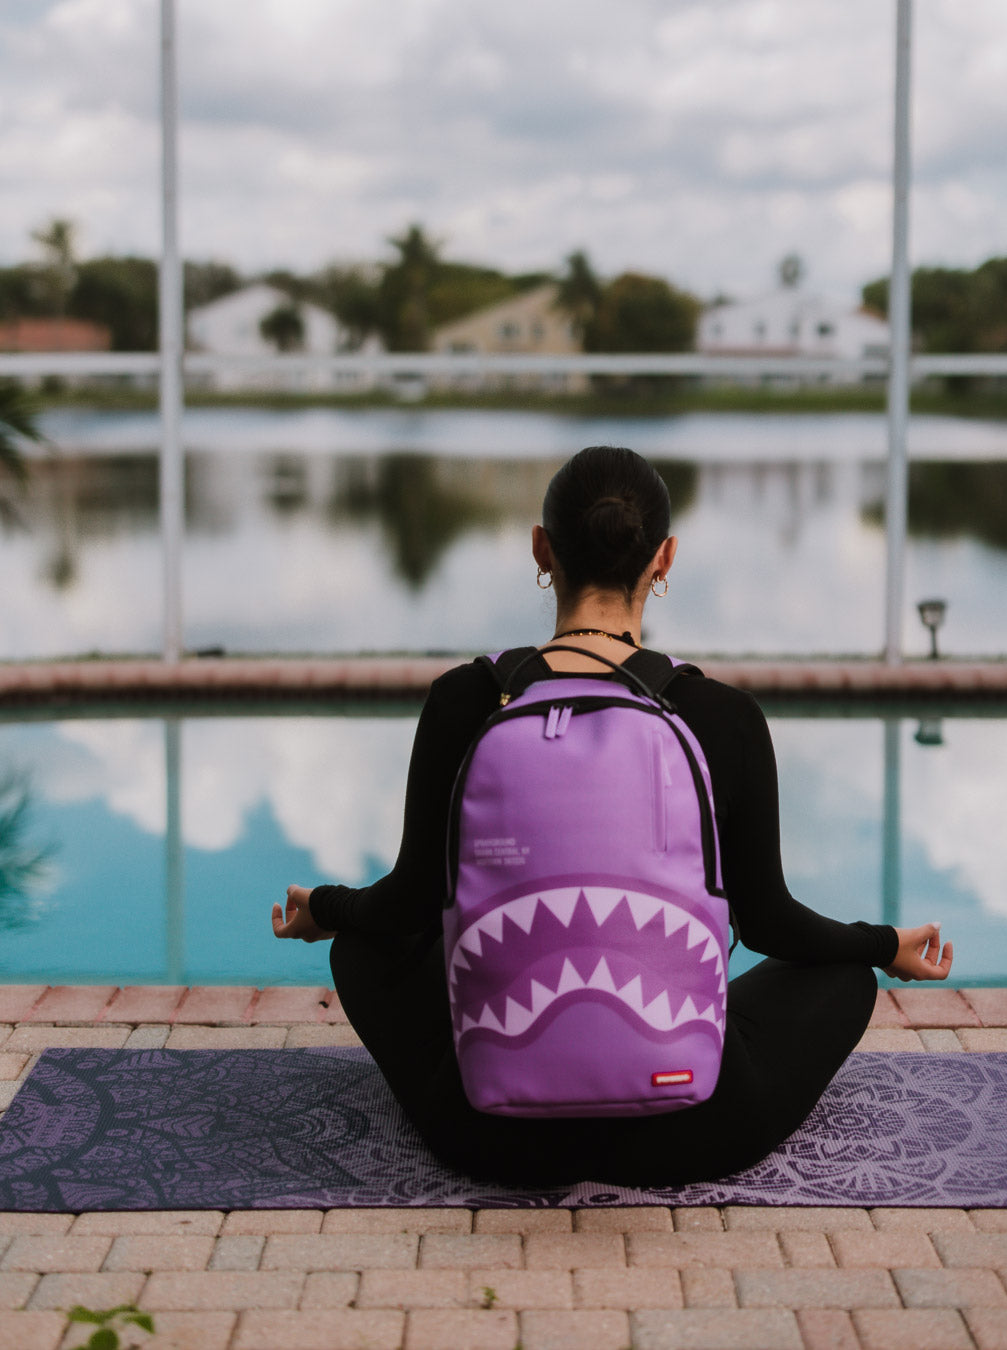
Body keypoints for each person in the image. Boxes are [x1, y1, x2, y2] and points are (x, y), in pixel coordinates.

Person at [272, 445, 953, 1187]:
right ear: (663, 560)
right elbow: (768, 924)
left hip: (488, 1132)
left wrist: (328, 908)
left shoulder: (464, 699)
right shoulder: (720, 716)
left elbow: (407, 900)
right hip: (692, 1129)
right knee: (845, 978)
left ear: (541, 547)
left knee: (362, 949)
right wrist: (882, 943)